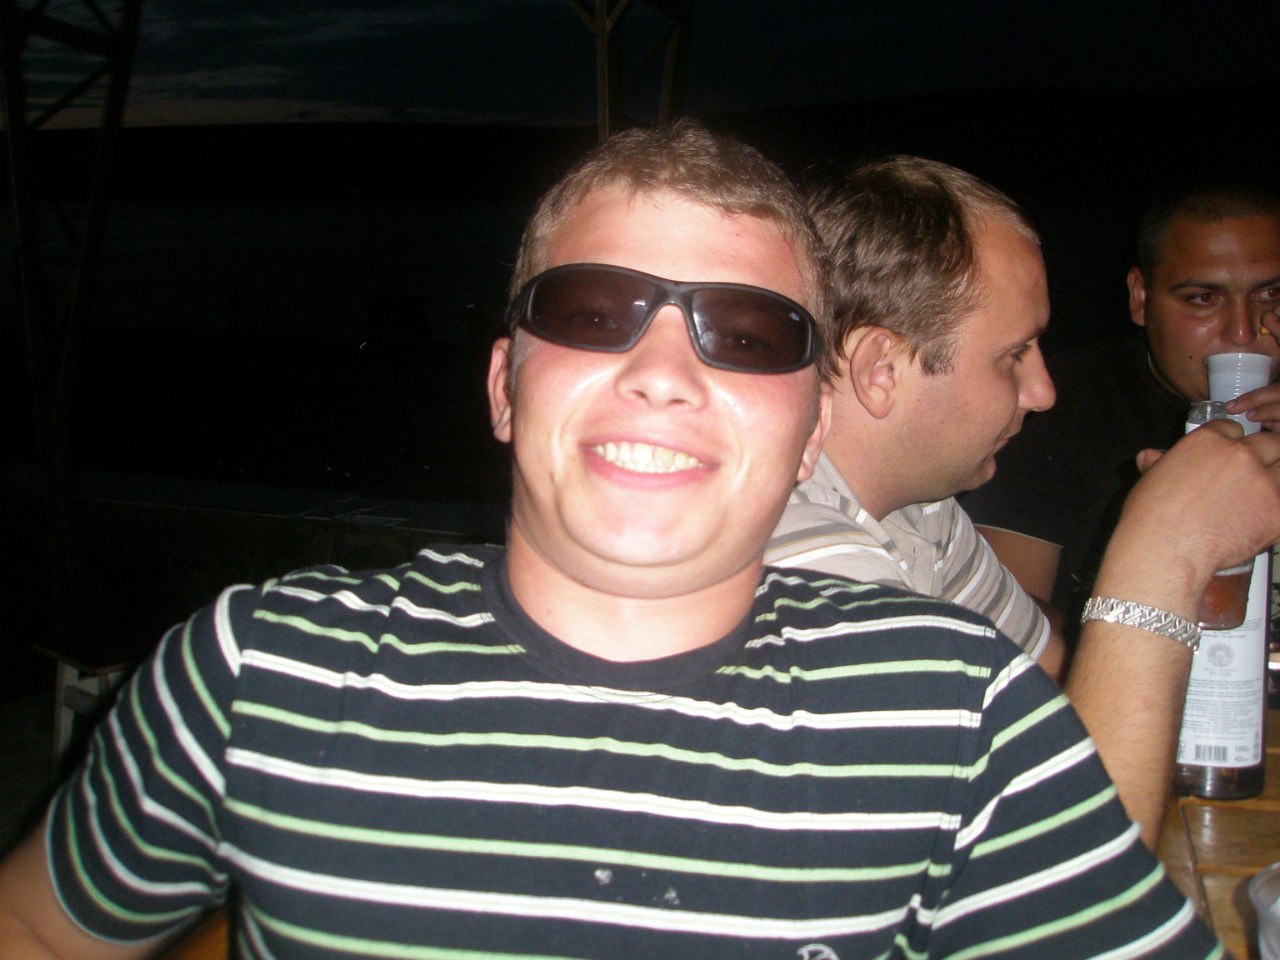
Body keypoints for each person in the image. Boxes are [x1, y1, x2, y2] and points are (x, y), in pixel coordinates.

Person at [0, 122, 1270, 959]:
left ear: (811, 422)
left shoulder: (954, 703)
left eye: (746, 333)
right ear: (505, 385)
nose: (662, 370)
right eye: (593, 310)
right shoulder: (257, 671)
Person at [765, 156, 1275, 849]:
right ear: (881, 370)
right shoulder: (803, 557)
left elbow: (1055, 679)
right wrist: (1160, 552)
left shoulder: (922, 512)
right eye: (1014, 355)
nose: (1043, 392)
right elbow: (1078, 871)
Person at [961, 175, 1280, 623]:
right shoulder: (1050, 409)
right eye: (1204, 298)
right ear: (1141, 297)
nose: (1243, 332)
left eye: (1271, 294)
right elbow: (1002, 623)